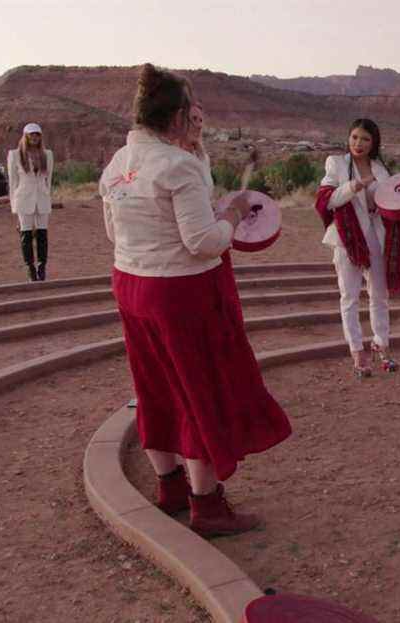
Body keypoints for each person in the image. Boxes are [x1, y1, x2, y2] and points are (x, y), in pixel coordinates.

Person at [99, 64, 292, 538]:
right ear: (180, 114)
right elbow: (203, 241)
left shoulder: (120, 162)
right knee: (196, 390)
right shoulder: (177, 165)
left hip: (131, 283)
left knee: (155, 386)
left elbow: (111, 230)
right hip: (179, 294)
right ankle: (207, 506)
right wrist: (232, 211)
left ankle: (170, 489)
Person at [314, 118, 400, 378]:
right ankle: (357, 351)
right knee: (350, 296)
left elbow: (391, 200)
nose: (359, 143)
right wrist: (355, 185)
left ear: (373, 142)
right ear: (348, 138)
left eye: (365, 139)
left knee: (379, 294)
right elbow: (327, 201)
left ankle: (382, 344)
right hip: (347, 239)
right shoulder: (337, 164)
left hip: (376, 236)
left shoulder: (380, 168)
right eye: (354, 137)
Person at [7, 123, 54, 281]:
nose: (34, 137)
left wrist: (48, 195)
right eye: (31, 135)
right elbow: (13, 182)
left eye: (37, 135)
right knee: (26, 234)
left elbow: (49, 179)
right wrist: (14, 205)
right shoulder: (15, 155)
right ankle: (30, 268)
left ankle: (42, 267)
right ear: (25, 136)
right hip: (23, 198)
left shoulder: (47, 154)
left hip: (41, 198)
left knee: (42, 233)